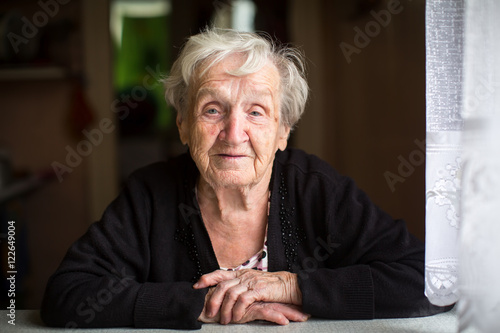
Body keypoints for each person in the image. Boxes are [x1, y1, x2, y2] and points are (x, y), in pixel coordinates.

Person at [41, 28, 450, 329]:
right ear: (183, 125)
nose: (234, 134)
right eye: (212, 110)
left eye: (256, 112)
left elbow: (432, 282)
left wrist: (290, 286)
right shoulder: (151, 194)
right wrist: (200, 303)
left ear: (283, 130)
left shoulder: (317, 189)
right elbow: (66, 296)